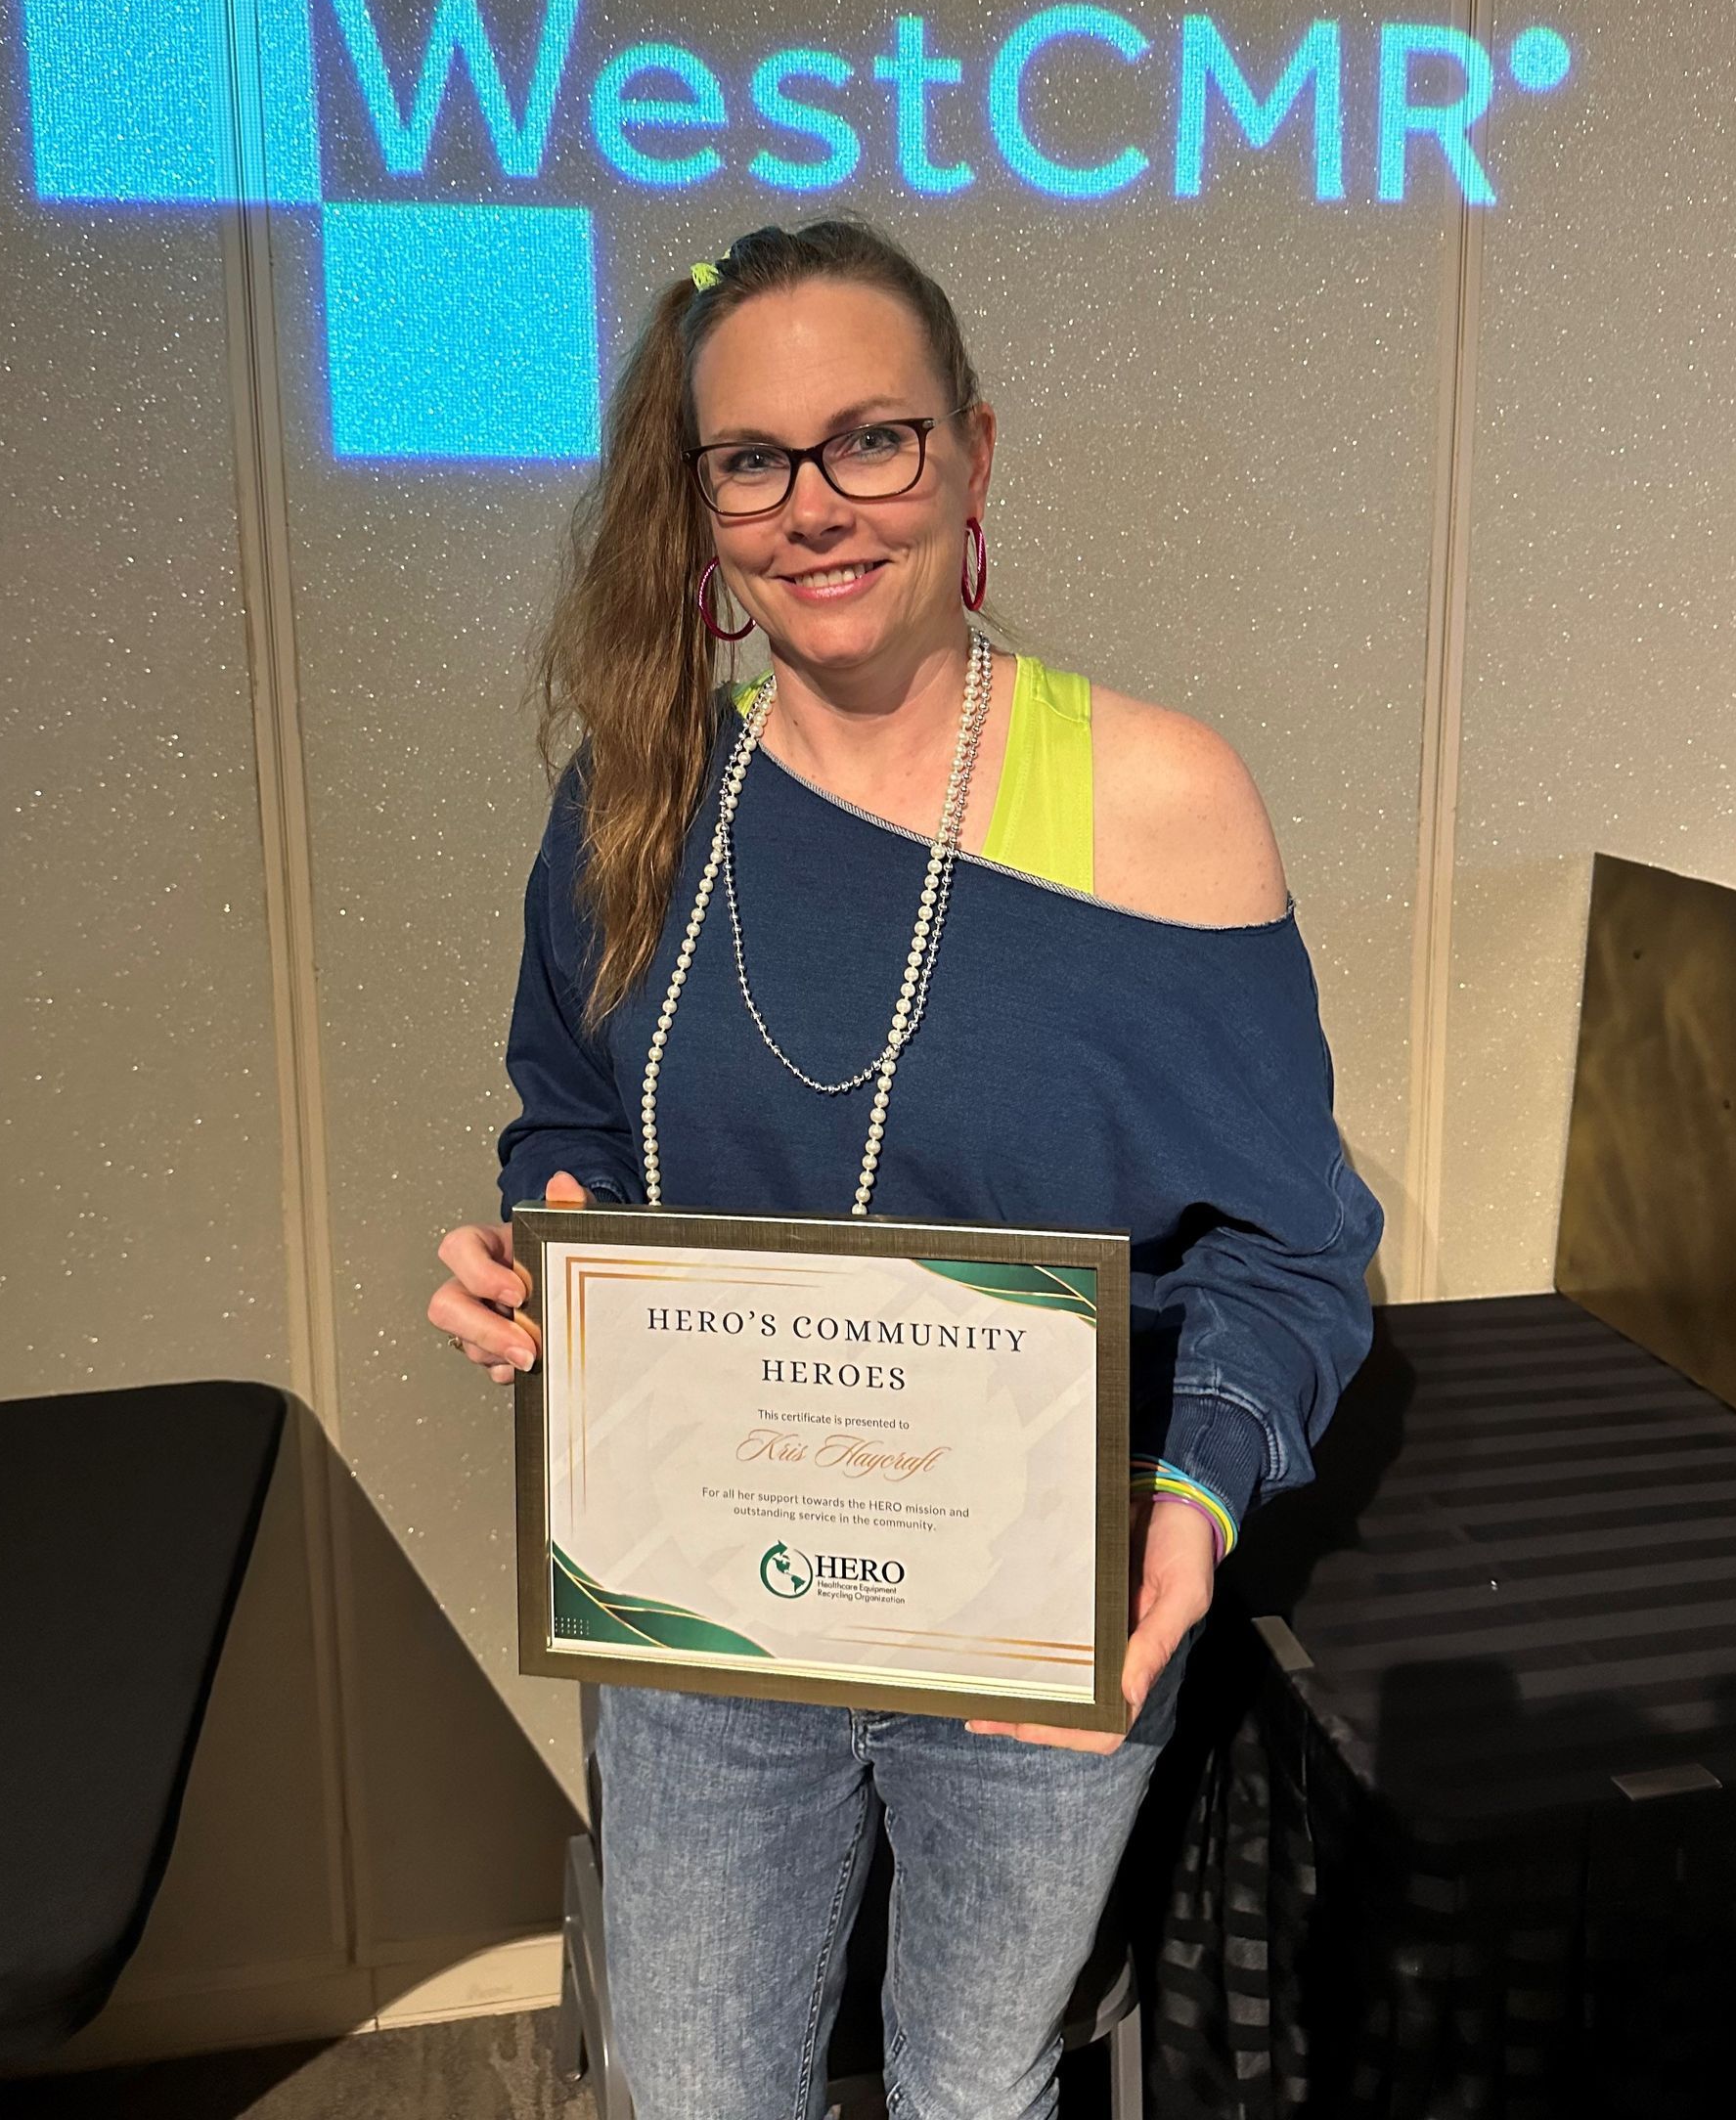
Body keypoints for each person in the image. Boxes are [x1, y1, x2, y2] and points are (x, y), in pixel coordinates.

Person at [429, 215, 1382, 2120]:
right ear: (699, 504)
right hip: (703, 1601)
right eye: (752, 459)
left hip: (1042, 1600)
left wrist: (1195, 1500)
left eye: (872, 438)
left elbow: (1292, 1244)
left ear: (972, 453)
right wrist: (549, 1246)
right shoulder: (639, 794)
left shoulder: (1159, 800)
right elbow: (569, 1118)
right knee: (696, 2093)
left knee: (972, 2089)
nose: (816, 505)